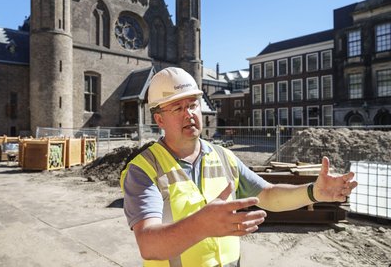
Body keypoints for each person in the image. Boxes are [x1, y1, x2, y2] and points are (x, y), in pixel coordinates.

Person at [120, 67, 358, 267]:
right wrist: (201, 225)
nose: (189, 114)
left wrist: (313, 192)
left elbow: (268, 195)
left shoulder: (223, 156)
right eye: (177, 108)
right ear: (159, 119)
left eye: (193, 104)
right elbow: (148, 245)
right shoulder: (143, 170)